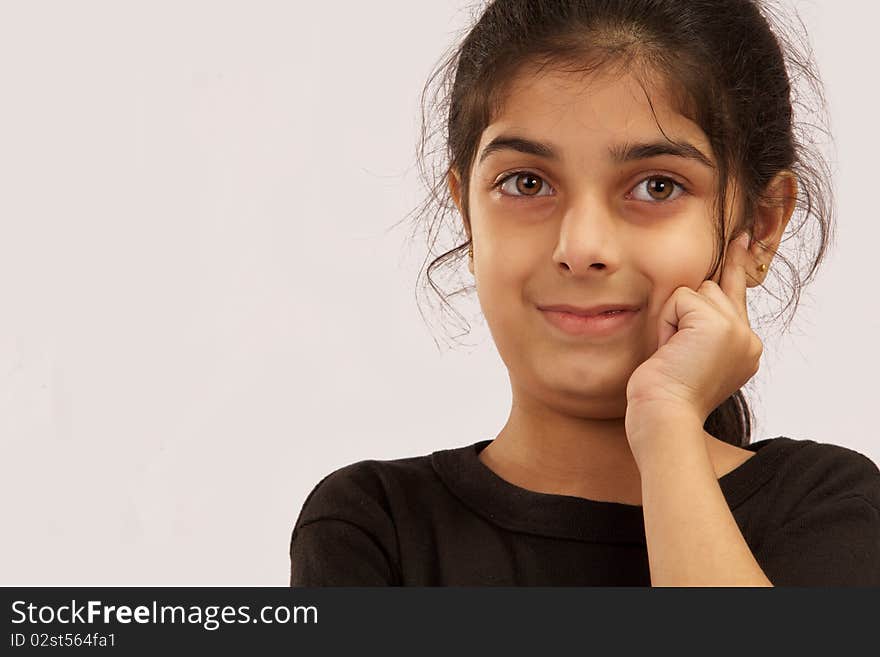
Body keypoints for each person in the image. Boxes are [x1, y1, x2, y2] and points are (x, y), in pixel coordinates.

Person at [289, 0, 880, 586]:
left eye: (656, 186)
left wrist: (667, 421)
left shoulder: (829, 507)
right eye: (526, 182)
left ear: (761, 226)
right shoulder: (373, 528)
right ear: (467, 217)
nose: (580, 245)